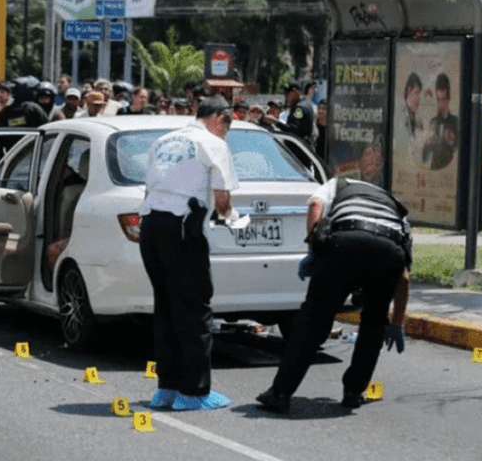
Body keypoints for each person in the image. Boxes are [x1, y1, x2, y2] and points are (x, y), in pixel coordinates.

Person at [256, 176, 411, 414]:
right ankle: (353, 393)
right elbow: (404, 277)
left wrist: (313, 251)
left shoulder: (338, 184)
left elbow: (315, 206)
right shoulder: (396, 210)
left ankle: (280, 393)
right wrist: (396, 323)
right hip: (388, 252)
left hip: (344, 245)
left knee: (313, 320)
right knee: (374, 324)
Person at [138, 96, 239, 411]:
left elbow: (148, 188)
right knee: (194, 311)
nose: (227, 133)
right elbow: (222, 199)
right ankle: (194, 393)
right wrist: (232, 219)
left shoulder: (164, 140)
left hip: (151, 225)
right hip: (182, 229)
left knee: (166, 308)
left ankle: (166, 389)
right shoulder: (212, 143)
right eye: (228, 125)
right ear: (218, 119)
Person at [422, 73, 458, 171]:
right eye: (438, 100)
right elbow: (424, 157)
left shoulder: (455, 122)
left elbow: (459, 149)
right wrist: (428, 141)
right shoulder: (433, 121)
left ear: (448, 99)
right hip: (434, 170)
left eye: (444, 99)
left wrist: (451, 140)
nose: (441, 104)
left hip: (449, 170)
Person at [278, 80, 316, 147]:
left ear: (294, 91)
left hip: (299, 149)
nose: (286, 97)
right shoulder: (306, 103)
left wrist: (275, 122)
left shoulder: (299, 108)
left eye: (287, 94)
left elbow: (294, 130)